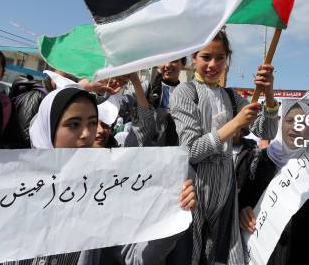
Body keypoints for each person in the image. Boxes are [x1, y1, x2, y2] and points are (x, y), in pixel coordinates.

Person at [19, 86, 196, 265]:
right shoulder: (10, 188)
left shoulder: (103, 190)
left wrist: (173, 215)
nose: (87, 134)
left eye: (92, 123)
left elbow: (136, 258)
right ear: (49, 128)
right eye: (74, 124)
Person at [170, 30, 279, 265]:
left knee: (222, 255)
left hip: (226, 190)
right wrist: (236, 123)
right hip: (193, 189)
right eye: (206, 57)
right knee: (189, 254)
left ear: (227, 58)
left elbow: (267, 131)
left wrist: (269, 94)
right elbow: (190, 150)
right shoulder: (184, 92)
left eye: (220, 58)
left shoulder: (231, 96)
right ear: (194, 58)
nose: (213, 64)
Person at [238, 101, 309, 264]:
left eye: (303, 123)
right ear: (280, 123)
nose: (295, 127)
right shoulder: (256, 161)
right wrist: (243, 211)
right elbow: (241, 200)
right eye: (289, 121)